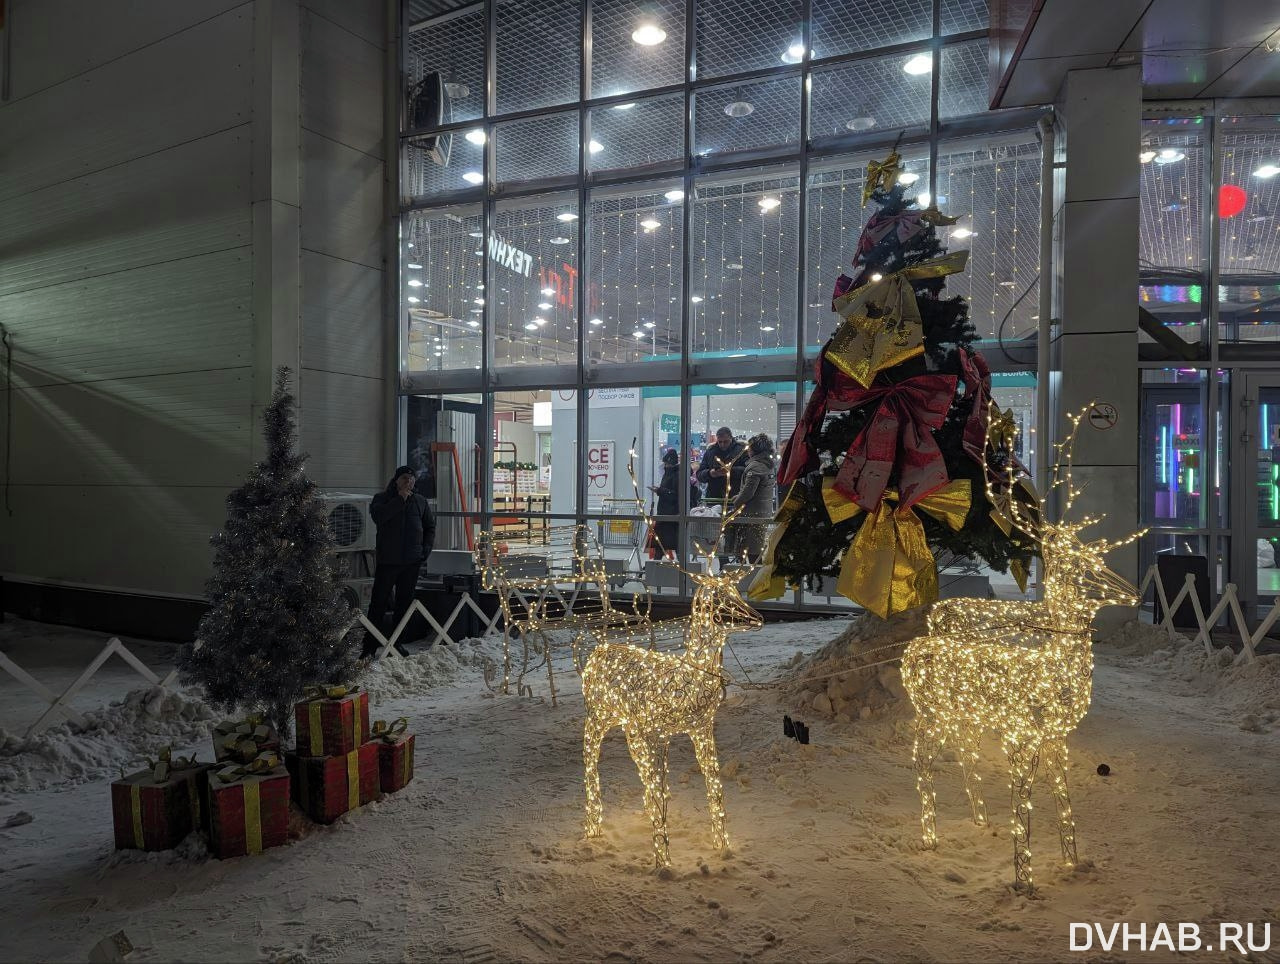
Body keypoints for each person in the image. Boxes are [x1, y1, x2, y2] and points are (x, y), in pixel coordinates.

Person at [362, 465, 436, 658]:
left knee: (404, 604)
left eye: (411, 479)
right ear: (396, 480)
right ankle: (369, 646)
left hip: (411, 562)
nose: (408, 482)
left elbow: (430, 527)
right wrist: (399, 500)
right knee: (378, 603)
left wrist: (425, 550)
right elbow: (379, 517)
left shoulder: (420, 501)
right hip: (388, 561)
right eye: (404, 478)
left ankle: (397, 643)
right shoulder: (382, 499)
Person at [729, 434, 776, 564]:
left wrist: (737, 501)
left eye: (749, 448)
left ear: (754, 450)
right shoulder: (768, 465)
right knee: (756, 549)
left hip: (751, 513)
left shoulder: (755, 467)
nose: (747, 450)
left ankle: (749, 580)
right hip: (763, 512)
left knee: (749, 551)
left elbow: (748, 493)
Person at [648, 449, 699, 559]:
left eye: (666, 463)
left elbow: (677, 495)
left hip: (672, 515)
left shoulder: (677, 475)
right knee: (666, 545)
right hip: (667, 514)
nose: (665, 466)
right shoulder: (671, 473)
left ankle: (657, 566)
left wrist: (660, 491)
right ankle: (657, 565)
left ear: (669, 463)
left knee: (665, 545)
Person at [696, 427, 746, 506]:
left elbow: (748, 471)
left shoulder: (741, 451)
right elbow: (699, 475)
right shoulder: (710, 452)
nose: (722, 444)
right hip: (714, 499)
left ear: (731, 438)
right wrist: (710, 473)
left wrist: (730, 471)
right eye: (720, 442)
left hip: (734, 498)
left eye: (725, 442)